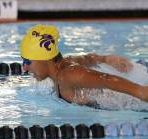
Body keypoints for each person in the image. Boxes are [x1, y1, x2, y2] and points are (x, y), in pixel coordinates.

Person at [20, 24, 148, 108]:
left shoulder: (68, 75)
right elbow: (87, 58)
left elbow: (106, 79)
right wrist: (106, 59)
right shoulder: (66, 63)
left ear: (45, 59)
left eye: (27, 61)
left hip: (132, 103)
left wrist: (140, 92)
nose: (24, 68)